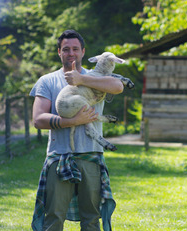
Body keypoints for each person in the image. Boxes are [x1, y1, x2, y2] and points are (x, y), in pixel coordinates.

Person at [30, 29, 123, 231]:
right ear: (59, 52)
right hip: (59, 157)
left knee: (91, 218)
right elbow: (38, 119)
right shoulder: (47, 81)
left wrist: (81, 79)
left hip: (91, 156)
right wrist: (72, 121)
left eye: (75, 49)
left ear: (83, 51)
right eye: (66, 49)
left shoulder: (97, 78)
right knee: (54, 217)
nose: (70, 53)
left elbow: (118, 87)